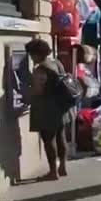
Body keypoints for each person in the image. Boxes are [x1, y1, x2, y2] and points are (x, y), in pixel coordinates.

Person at [26, 39, 74, 181]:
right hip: (61, 107)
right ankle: (63, 167)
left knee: (48, 139)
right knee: (61, 137)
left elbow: (38, 91)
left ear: (37, 54)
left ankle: (53, 172)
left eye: (31, 55)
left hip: (47, 109)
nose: (30, 58)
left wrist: (27, 90)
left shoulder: (40, 69)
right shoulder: (56, 63)